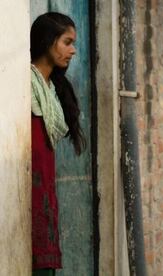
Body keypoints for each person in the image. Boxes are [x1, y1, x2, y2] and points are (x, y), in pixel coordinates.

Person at [31, 12, 85, 275]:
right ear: (47, 41)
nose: (73, 50)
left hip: (44, 196)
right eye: (67, 42)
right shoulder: (22, 85)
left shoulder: (51, 90)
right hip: (24, 192)